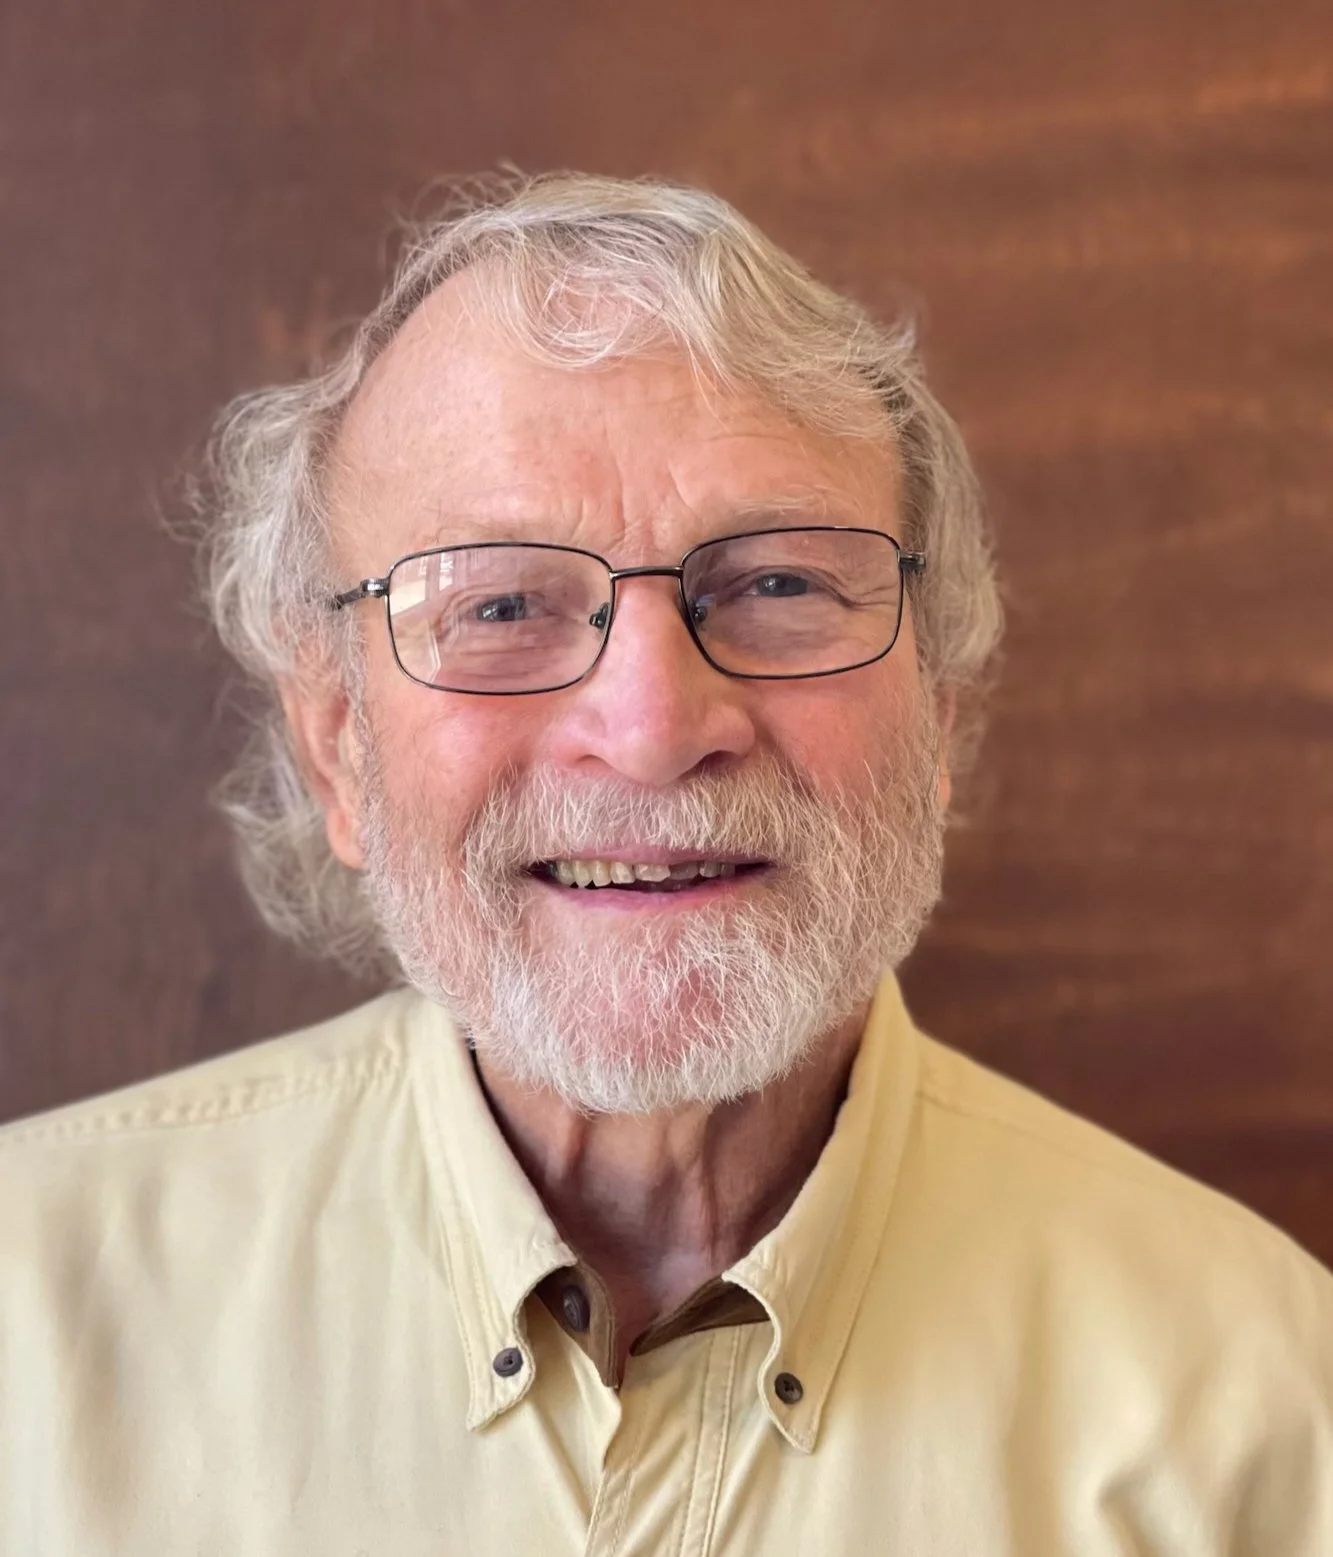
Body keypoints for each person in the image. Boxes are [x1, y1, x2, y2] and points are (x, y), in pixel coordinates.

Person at [1, 173, 1329, 1556]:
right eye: (502, 603)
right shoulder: (24, 1329)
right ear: (341, 752)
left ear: (938, 716)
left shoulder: (1260, 1407)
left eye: (776, 586)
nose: (649, 734)